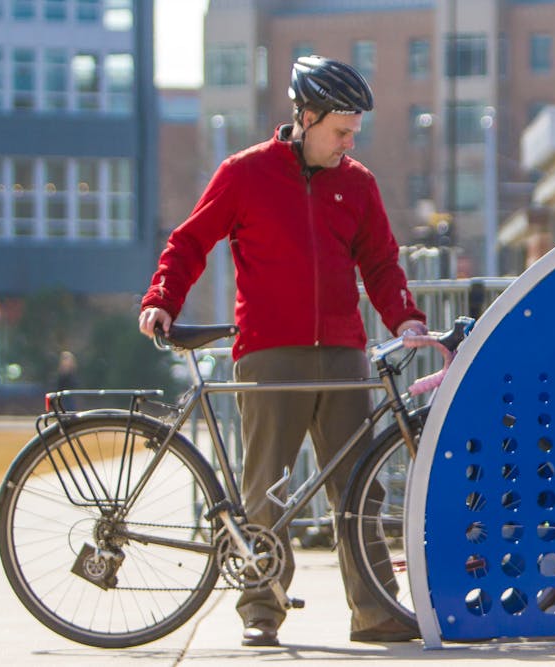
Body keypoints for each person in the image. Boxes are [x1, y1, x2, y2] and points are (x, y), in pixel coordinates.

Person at [138, 55, 427, 647]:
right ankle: (260, 611)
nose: (348, 143)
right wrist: (164, 297)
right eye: (340, 131)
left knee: (359, 487)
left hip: (345, 353)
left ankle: (375, 612)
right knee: (266, 485)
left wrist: (407, 318)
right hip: (269, 352)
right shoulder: (245, 174)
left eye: (354, 134)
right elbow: (191, 241)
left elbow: (379, 262)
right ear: (308, 115)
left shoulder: (358, 183)